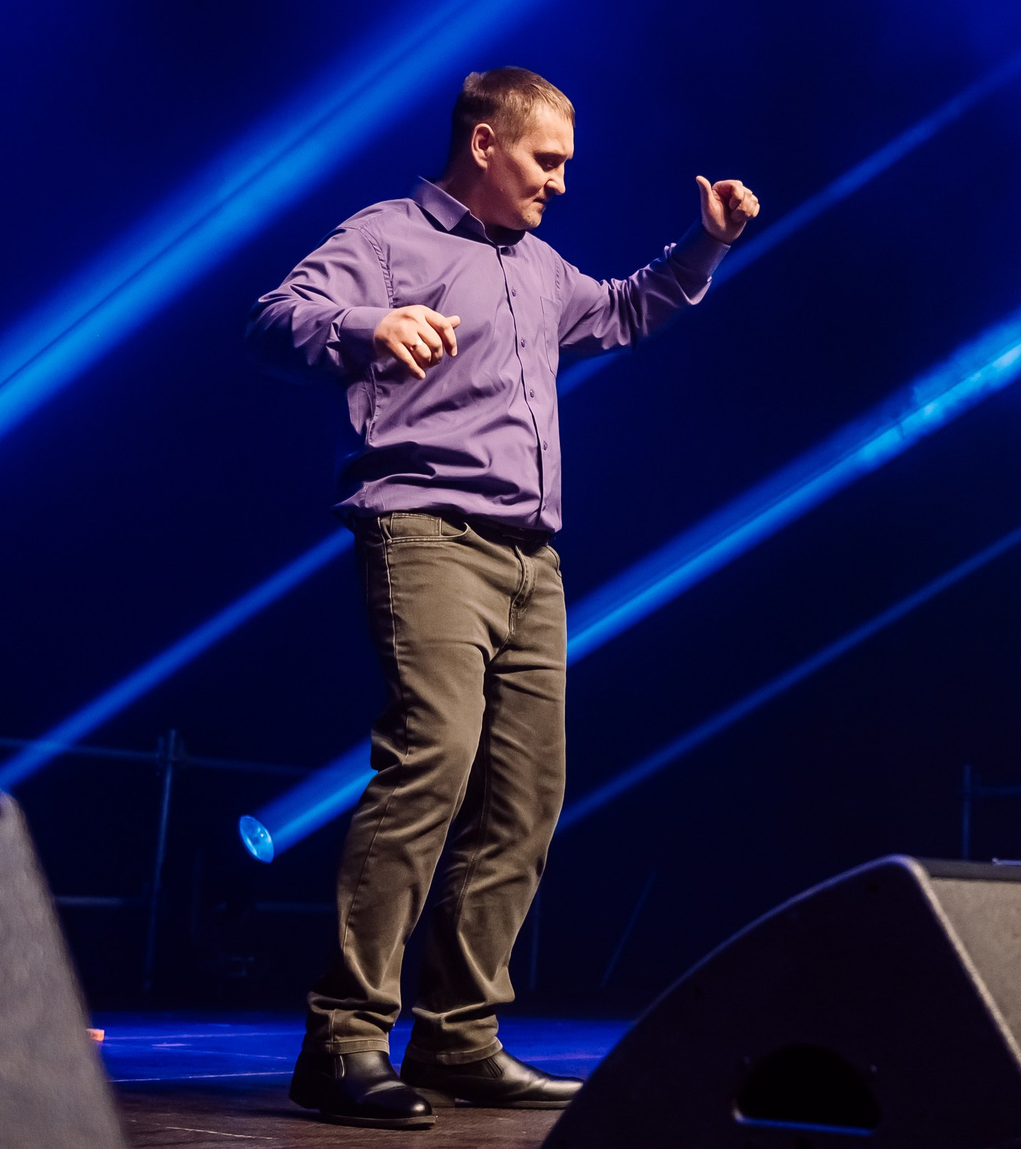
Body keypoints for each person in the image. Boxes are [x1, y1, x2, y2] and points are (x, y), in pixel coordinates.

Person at [248, 67, 759, 1128]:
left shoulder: (537, 267)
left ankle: (457, 1037)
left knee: (527, 792)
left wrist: (704, 243)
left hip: (535, 561)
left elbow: (623, 310)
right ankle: (342, 1038)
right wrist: (368, 325)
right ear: (484, 145)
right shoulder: (389, 235)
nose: (560, 183)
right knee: (431, 755)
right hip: (424, 529)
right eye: (546, 160)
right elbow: (274, 318)